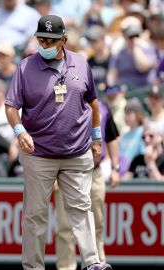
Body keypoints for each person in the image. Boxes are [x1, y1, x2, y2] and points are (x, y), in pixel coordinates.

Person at [4, 15, 112, 270]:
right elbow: (11, 107)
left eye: (51, 39)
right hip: (38, 153)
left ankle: (92, 262)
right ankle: (33, 267)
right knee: (35, 215)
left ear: (64, 40)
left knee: (82, 208)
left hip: (76, 151)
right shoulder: (26, 67)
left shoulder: (81, 63)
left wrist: (96, 139)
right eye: (41, 38)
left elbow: (93, 102)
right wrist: (20, 131)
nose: (45, 43)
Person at [54, 100, 120, 270]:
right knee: (65, 226)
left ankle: (96, 265)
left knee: (96, 224)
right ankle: (65, 267)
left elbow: (112, 137)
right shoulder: (61, 104)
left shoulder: (102, 108)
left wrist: (115, 168)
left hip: (94, 172)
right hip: (67, 171)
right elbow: (52, 138)